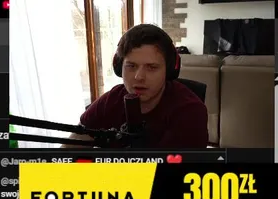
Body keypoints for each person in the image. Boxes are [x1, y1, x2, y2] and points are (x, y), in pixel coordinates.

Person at [65, 24, 208, 149]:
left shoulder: (191, 112)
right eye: (131, 66)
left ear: (169, 71)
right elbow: (70, 146)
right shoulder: (112, 99)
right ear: (119, 67)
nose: (139, 77)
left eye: (152, 67)